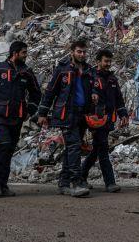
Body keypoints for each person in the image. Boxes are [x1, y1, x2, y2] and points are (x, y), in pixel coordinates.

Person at [0, 40, 42, 197]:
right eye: (24, 53)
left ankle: (3, 185)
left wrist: (30, 109)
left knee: (9, 150)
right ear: (15, 53)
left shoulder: (26, 72)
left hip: (17, 118)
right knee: (3, 146)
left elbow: (36, 93)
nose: (26, 56)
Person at [37, 39, 95, 197]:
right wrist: (42, 113)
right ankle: (76, 183)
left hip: (83, 115)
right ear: (72, 52)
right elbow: (50, 91)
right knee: (74, 146)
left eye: (84, 52)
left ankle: (63, 183)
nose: (82, 55)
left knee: (72, 148)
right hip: (67, 114)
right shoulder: (62, 70)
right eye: (79, 52)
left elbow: (94, 89)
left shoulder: (89, 70)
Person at [83, 48, 129, 192]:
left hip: (108, 120)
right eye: (105, 61)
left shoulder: (112, 79)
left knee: (96, 149)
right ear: (98, 61)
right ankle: (110, 183)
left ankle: (80, 176)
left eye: (110, 61)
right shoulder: (90, 77)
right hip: (95, 120)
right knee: (102, 149)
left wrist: (124, 115)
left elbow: (119, 100)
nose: (108, 64)